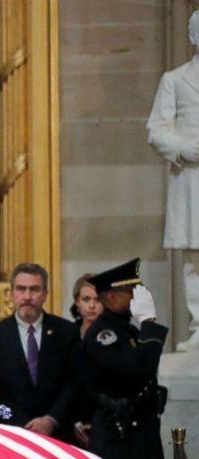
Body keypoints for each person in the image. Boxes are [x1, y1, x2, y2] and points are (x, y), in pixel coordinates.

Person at [82, 259, 168, 459]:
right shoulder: (104, 334)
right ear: (111, 296)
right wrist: (149, 325)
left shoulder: (125, 329)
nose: (136, 297)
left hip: (137, 440)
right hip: (121, 441)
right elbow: (138, 367)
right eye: (131, 292)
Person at [146, 10, 199, 351]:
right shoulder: (175, 79)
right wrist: (186, 147)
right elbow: (156, 129)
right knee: (196, 258)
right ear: (193, 36)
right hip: (192, 177)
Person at [0, 263, 81, 442]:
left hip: (58, 434)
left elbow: (75, 382)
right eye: (21, 289)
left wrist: (50, 420)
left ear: (45, 294)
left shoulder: (67, 332)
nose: (27, 297)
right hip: (12, 434)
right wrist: (21, 423)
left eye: (34, 289)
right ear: (11, 293)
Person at [70, 273, 101, 448]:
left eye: (97, 300)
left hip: (102, 419)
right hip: (71, 418)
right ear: (77, 302)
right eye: (86, 299)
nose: (91, 306)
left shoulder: (112, 335)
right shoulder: (67, 335)